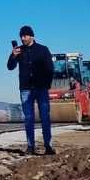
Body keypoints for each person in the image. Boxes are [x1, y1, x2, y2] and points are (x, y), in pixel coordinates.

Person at [7, 25, 55, 155]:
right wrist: (12, 56)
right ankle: (30, 146)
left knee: (45, 117)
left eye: (25, 36)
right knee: (28, 118)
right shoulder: (19, 50)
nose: (23, 38)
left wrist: (46, 85)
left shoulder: (43, 50)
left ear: (32, 36)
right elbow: (10, 67)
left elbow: (50, 68)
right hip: (25, 89)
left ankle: (48, 146)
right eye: (21, 36)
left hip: (41, 88)